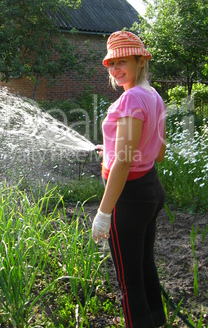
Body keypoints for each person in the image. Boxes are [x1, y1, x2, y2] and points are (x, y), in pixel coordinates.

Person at [92, 31, 167, 328]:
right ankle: (157, 322)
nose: (115, 69)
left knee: (128, 281)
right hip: (150, 189)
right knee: (145, 266)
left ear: (140, 60)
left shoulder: (130, 99)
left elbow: (123, 161)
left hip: (130, 198)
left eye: (122, 61)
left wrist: (104, 212)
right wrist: (108, 150)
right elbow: (158, 152)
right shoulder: (153, 96)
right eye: (111, 64)